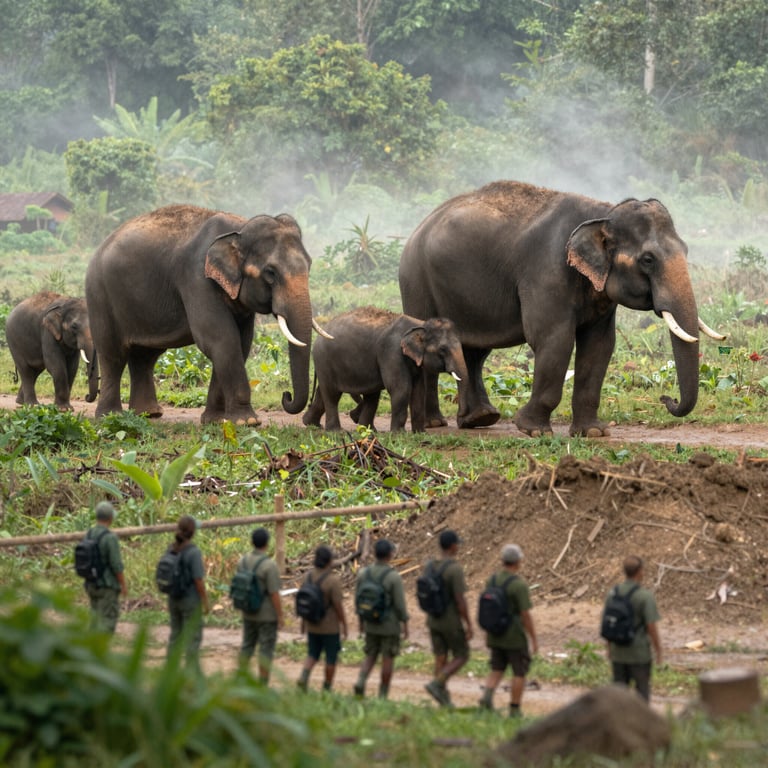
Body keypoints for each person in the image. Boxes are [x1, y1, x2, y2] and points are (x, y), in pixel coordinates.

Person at [479, 543, 538, 717]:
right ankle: (514, 708)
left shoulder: (492, 580)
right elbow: (525, 614)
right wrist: (533, 638)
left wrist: (487, 632)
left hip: (495, 633)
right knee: (519, 672)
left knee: (497, 668)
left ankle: (486, 699)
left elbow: (489, 608)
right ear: (518, 561)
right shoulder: (518, 585)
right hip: (513, 636)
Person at [422, 529, 473, 707]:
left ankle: (441, 697)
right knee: (462, 655)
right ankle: (438, 683)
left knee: (440, 656)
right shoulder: (454, 569)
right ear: (452, 546)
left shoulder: (429, 566)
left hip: (432, 619)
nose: (458, 547)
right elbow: (460, 600)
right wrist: (468, 624)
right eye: (457, 544)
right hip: (449, 620)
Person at [353, 539, 409, 699]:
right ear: (390, 555)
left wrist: (361, 622)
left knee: (370, 655)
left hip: (370, 623)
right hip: (389, 625)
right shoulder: (393, 577)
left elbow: (358, 600)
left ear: (374, 553)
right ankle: (383, 695)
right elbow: (400, 605)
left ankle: (361, 682)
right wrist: (405, 623)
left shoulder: (363, 574)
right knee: (387, 658)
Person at [604, 555, 663, 702]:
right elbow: (651, 627)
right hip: (639, 655)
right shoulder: (644, 596)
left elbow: (609, 623)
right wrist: (658, 650)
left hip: (618, 653)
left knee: (619, 697)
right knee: (642, 695)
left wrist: (609, 649)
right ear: (640, 571)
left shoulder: (613, 594)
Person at [297, 545, 348, 692]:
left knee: (312, 655)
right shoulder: (333, 580)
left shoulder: (307, 577)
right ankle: (326, 688)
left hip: (312, 623)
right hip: (329, 626)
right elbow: (338, 605)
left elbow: (304, 601)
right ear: (329, 561)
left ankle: (303, 678)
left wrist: (303, 623)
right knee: (331, 658)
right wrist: (344, 624)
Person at [238, 527, 283, 684]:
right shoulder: (269, 565)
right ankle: (263, 683)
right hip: (266, 614)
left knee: (247, 646)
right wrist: (280, 615)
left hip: (247, 611)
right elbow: (274, 593)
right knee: (265, 649)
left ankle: (240, 678)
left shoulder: (242, 561)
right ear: (267, 544)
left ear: (252, 542)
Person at [166, 514, 209, 673]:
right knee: (193, 637)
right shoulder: (193, 552)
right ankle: (192, 672)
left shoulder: (171, 548)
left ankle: (170, 671)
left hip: (173, 598)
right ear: (193, 532)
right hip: (189, 600)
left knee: (175, 635)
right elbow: (198, 579)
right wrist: (205, 601)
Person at [83, 500, 126, 634]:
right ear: (111, 518)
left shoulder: (89, 534)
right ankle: (102, 645)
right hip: (107, 585)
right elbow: (116, 565)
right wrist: (123, 584)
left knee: (94, 619)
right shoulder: (110, 538)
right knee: (107, 621)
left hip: (91, 584)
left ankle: (91, 645)